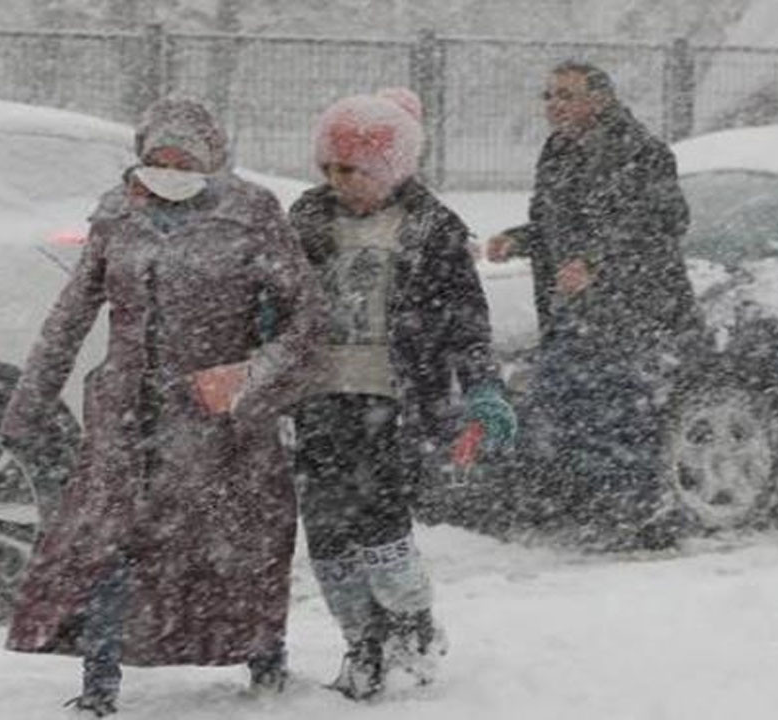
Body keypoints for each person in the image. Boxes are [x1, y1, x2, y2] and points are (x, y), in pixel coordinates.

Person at [0, 97, 323, 716]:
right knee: (109, 545)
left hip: (219, 423)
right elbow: (70, 315)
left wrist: (248, 378)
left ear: (213, 160)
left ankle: (265, 658)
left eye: (184, 159)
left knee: (237, 546)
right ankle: (99, 681)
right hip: (125, 418)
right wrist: (29, 402)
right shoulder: (118, 214)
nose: (168, 169)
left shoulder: (251, 214)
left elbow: (305, 320)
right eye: (157, 158)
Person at [288, 87, 517, 700]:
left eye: (354, 170)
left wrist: (483, 388)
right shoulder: (307, 219)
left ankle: (411, 628)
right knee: (329, 535)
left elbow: (466, 320)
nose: (340, 182)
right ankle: (360, 643)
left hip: (394, 405)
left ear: (389, 169)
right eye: (330, 168)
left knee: (382, 529)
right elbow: (271, 309)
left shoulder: (432, 229)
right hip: (319, 400)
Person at [485, 61, 702, 551]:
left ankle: (645, 517)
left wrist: (596, 262)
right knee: (566, 406)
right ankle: (597, 508)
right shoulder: (559, 151)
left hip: (635, 309)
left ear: (599, 99)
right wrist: (518, 240)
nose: (553, 105)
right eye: (548, 95)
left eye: (565, 95)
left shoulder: (639, 151)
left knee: (620, 413)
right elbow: (556, 226)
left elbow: (663, 225)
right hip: (574, 309)